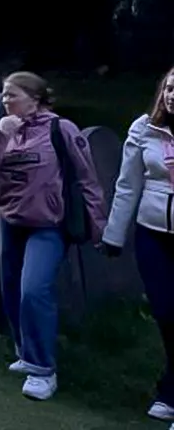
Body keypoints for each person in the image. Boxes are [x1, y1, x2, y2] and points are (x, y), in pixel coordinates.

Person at [0, 72, 105, 401]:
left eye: (12, 95)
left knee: (34, 289)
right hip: (10, 220)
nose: (6, 102)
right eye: (3, 96)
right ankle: (26, 352)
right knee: (11, 290)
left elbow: (87, 178)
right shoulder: (6, 130)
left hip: (49, 223)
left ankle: (44, 371)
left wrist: (99, 227)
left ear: (35, 98)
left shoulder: (61, 129)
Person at [100, 66, 174, 423]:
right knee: (166, 312)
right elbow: (127, 185)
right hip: (153, 232)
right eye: (170, 89)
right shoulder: (145, 129)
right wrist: (114, 234)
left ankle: (170, 391)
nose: (173, 96)